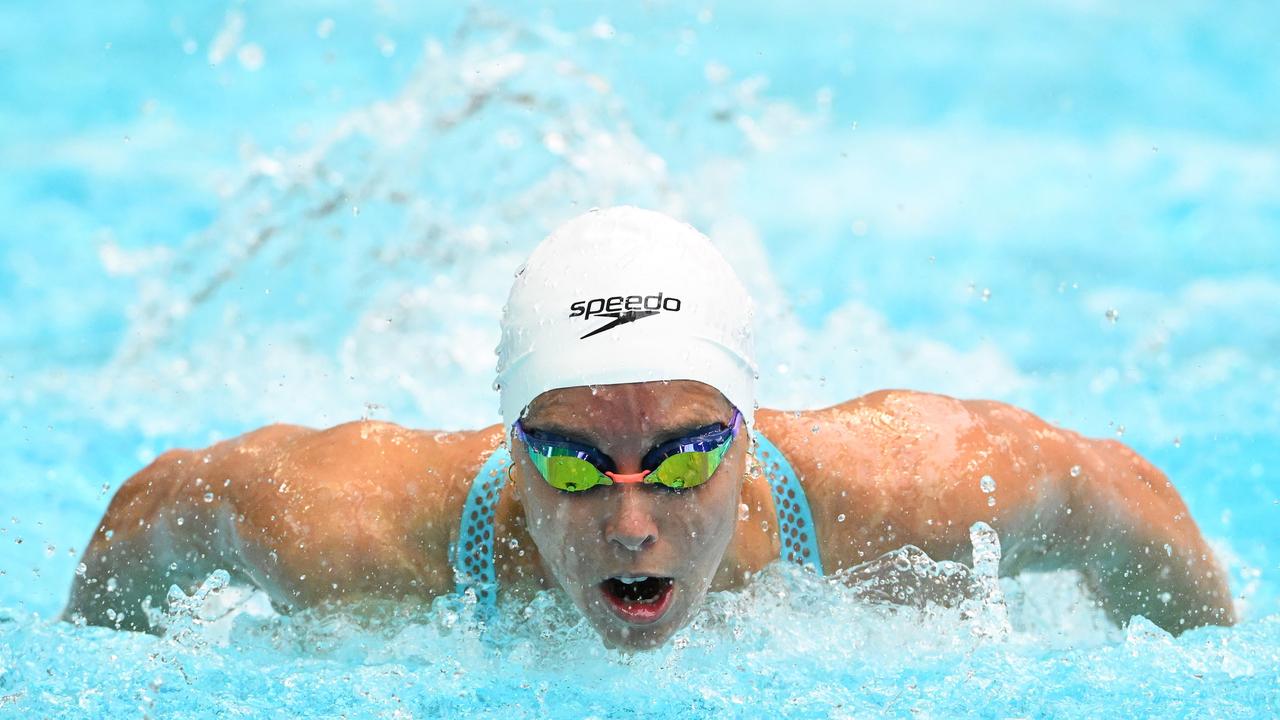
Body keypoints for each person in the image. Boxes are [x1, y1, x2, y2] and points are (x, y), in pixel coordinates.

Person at [64, 207, 1234, 649]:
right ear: (509, 443)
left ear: (742, 427)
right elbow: (156, 507)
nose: (631, 524)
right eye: (573, 463)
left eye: (680, 458)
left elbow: (1111, 491)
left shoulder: (901, 492)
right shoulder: (349, 525)